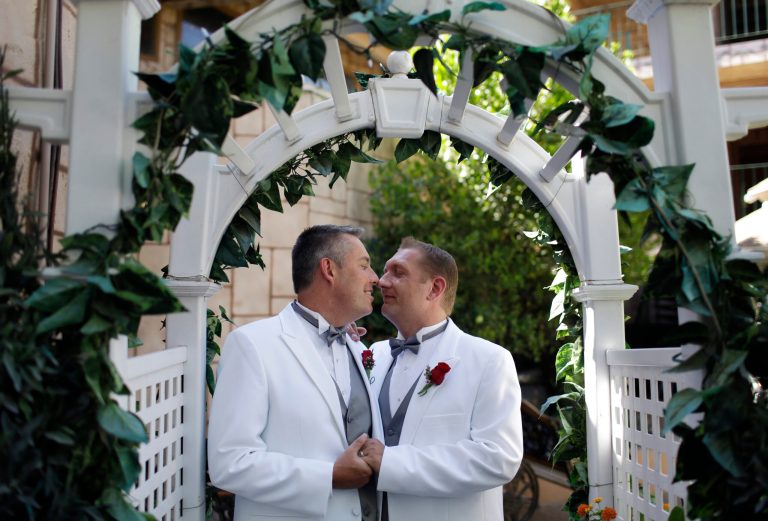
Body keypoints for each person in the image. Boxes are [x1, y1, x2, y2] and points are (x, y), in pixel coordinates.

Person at [208, 225, 382, 521]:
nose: (375, 279)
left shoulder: (356, 345)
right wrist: (327, 476)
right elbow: (230, 463)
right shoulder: (253, 345)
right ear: (329, 269)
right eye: (364, 266)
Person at [360, 237, 523, 521]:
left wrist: (392, 463)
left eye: (397, 272)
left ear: (435, 288)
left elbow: (498, 458)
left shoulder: (489, 360)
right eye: (384, 271)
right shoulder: (373, 354)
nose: (381, 281)